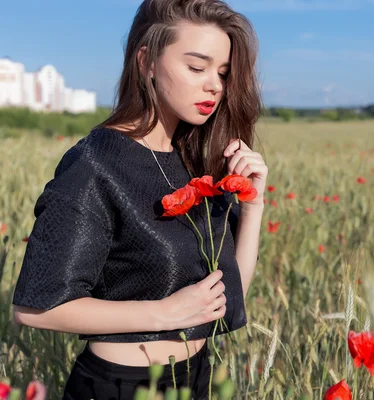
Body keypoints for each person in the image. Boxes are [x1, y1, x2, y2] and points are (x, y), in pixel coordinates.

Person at [11, 0, 267, 398]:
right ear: (146, 60)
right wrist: (164, 312)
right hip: (121, 387)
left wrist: (252, 207)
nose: (214, 85)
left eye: (222, 72)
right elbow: (34, 308)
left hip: (199, 379)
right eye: (197, 68)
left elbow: (226, 297)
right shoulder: (95, 163)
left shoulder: (193, 157)